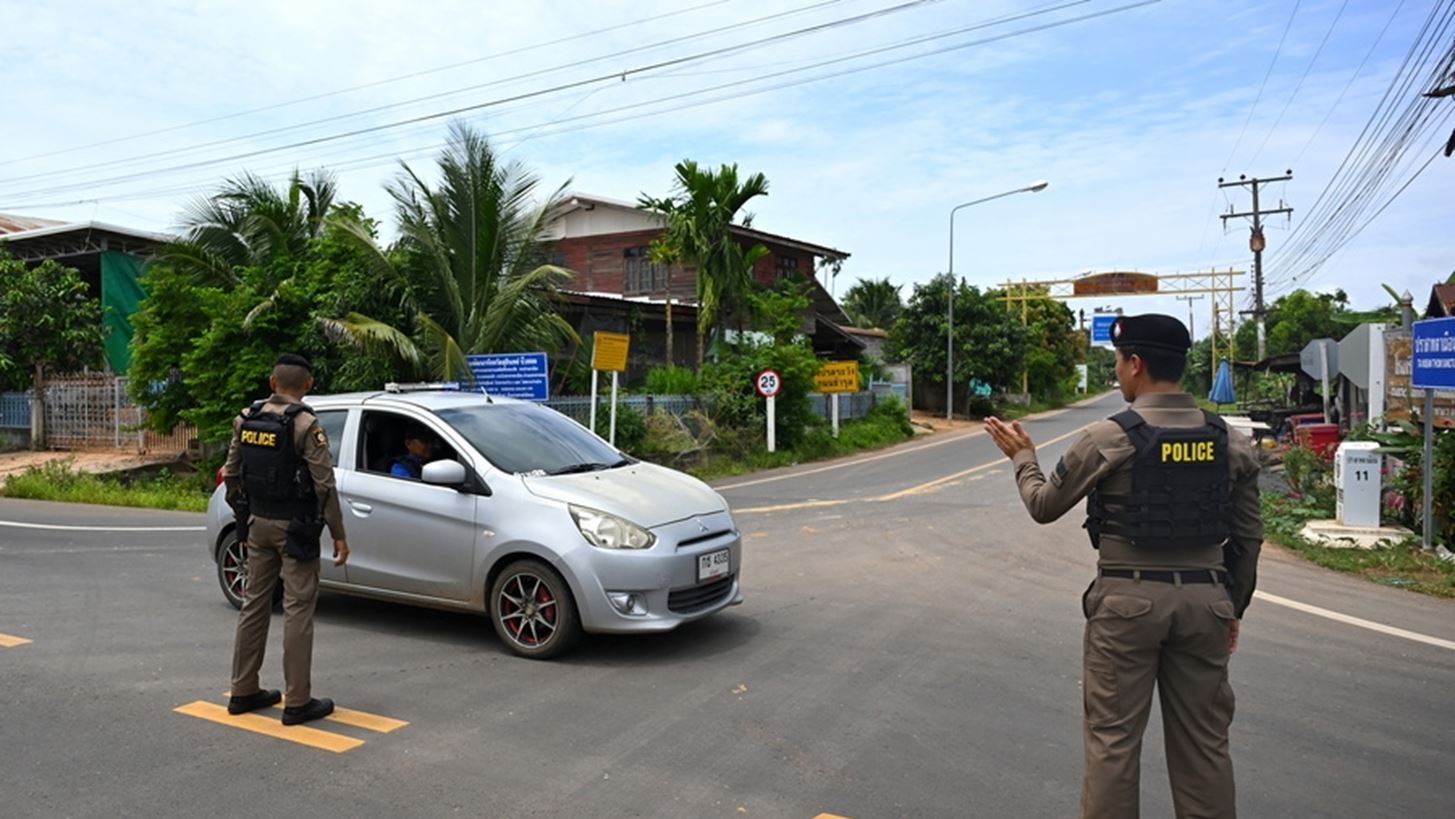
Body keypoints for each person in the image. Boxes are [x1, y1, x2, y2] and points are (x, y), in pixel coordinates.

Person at [984, 314, 1262, 819]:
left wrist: (1023, 457)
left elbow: (1044, 505)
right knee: (1205, 747)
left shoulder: (1107, 437)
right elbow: (1248, 537)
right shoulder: (1230, 442)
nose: (1116, 372)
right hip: (1207, 605)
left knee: (1113, 744)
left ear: (1135, 363)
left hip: (1127, 605)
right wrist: (1232, 607)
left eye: (1117, 362)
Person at [223, 354, 350, 726]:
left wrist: (244, 515)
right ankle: (297, 701)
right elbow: (324, 485)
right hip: (295, 527)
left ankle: (243, 690)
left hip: (257, 523)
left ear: (271, 381)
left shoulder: (245, 419)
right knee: (297, 609)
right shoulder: (306, 425)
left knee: (253, 605)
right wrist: (339, 534)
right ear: (308, 385)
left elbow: (232, 474)